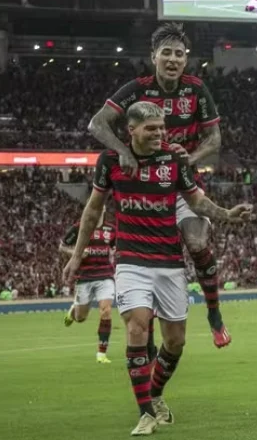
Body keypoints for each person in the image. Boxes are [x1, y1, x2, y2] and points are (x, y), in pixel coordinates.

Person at [66, 101, 254, 436]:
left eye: (162, 127)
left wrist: (226, 214)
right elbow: (93, 210)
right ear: (132, 130)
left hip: (169, 262)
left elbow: (195, 201)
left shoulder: (174, 159)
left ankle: (154, 393)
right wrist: (77, 255)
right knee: (137, 328)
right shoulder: (110, 161)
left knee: (175, 342)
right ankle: (146, 413)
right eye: (151, 128)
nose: (159, 133)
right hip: (131, 261)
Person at [88, 22, 232, 348]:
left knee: (196, 241)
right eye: (165, 52)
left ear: (186, 59)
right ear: (153, 56)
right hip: (141, 187)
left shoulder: (196, 90)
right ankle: (146, 329)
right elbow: (97, 123)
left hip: (180, 183)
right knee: (149, 259)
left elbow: (215, 138)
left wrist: (190, 159)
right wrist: (124, 151)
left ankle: (214, 313)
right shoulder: (137, 88)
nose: (172, 59)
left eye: (179, 54)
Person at [59, 210, 117, 364]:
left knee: (106, 311)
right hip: (84, 276)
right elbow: (62, 246)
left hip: (105, 275)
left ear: (104, 210)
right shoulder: (79, 227)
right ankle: (73, 312)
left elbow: (117, 248)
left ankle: (101, 353)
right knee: (80, 318)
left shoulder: (111, 230)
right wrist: (76, 254)